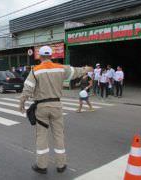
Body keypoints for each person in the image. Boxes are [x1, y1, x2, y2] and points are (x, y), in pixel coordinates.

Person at [19, 46, 91, 174]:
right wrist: (86, 69)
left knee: (42, 136)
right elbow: (77, 71)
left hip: (41, 107)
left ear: (40, 57)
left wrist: (22, 103)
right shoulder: (61, 68)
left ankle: (41, 166)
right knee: (59, 135)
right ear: (51, 56)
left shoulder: (35, 70)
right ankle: (61, 165)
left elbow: (27, 89)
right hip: (57, 106)